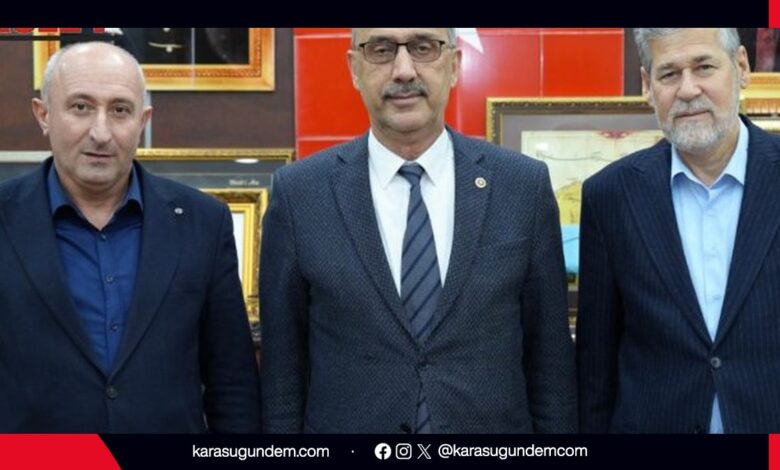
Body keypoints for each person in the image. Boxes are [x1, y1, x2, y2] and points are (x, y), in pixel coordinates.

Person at [260, 28, 576, 433]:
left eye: (423, 47)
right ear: (354, 68)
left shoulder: (521, 186)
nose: (404, 70)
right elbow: (283, 378)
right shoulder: (300, 194)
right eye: (381, 49)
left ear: (454, 65)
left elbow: (551, 366)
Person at [0, 41, 260, 432]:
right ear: (44, 115)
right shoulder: (6, 217)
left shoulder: (203, 222)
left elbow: (232, 383)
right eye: (80, 107)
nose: (101, 132)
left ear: (143, 120)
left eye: (120, 110)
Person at [578, 28, 780, 433]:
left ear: (741, 67)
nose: (687, 90)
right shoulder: (610, 196)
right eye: (669, 74)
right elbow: (595, 369)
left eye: (704, 67)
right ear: (647, 86)